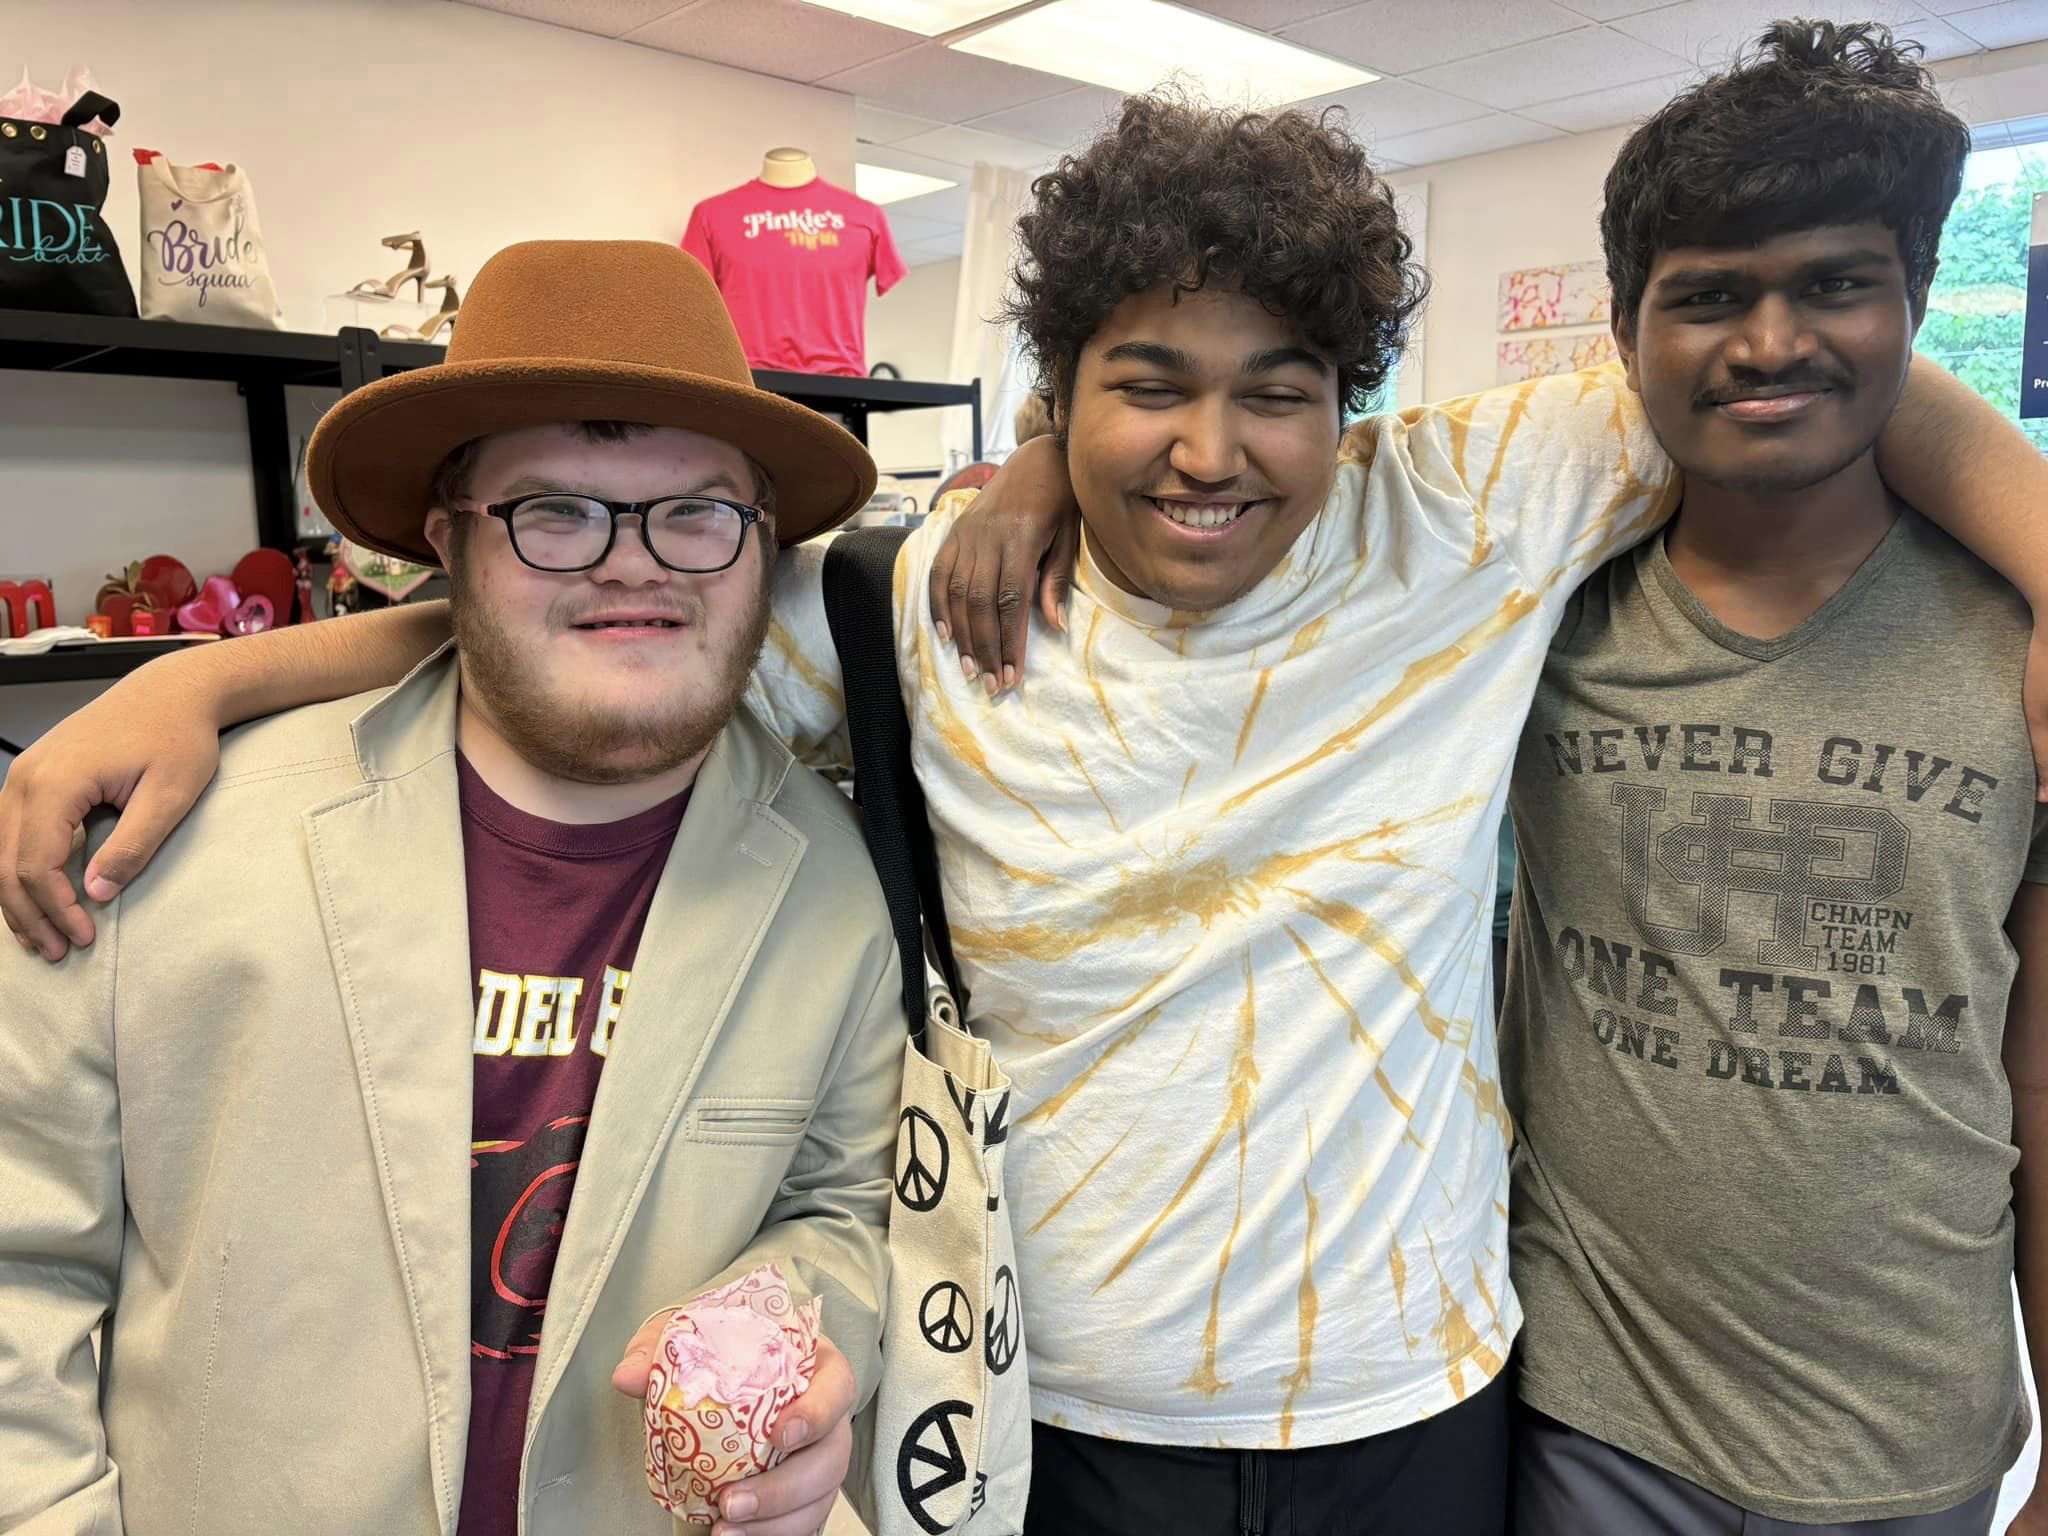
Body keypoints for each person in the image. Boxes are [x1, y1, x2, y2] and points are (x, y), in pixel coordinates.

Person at [6, 94, 2048, 1536]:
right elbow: (611, 613)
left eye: (1279, 389)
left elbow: (1809, 363)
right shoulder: (897, 609)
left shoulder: (1462, 511)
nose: (1212, 448)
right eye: (1143, 384)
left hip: (1424, 1389)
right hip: (1043, 1403)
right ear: (1050, 396)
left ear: (1351, 398)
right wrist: (214, 672)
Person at [0, 240, 905, 1536]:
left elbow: (841, 1213)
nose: (633, 563)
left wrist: (798, 1330)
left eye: (697, 511)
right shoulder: (161, 845)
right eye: (556, 510)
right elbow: (20, 1272)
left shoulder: (834, 887)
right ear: (448, 541)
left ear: (764, 547)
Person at [1500, 25, 2048, 1534]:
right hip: (1581, 1414)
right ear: (1625, 330)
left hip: (1907, 1443)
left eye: (1834, 283)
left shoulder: (2018, 648)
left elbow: (2043, 1074)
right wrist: (1031, 464)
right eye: (1709, 297)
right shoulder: (1535, 615)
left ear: (1917, 303)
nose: (1768, 343)